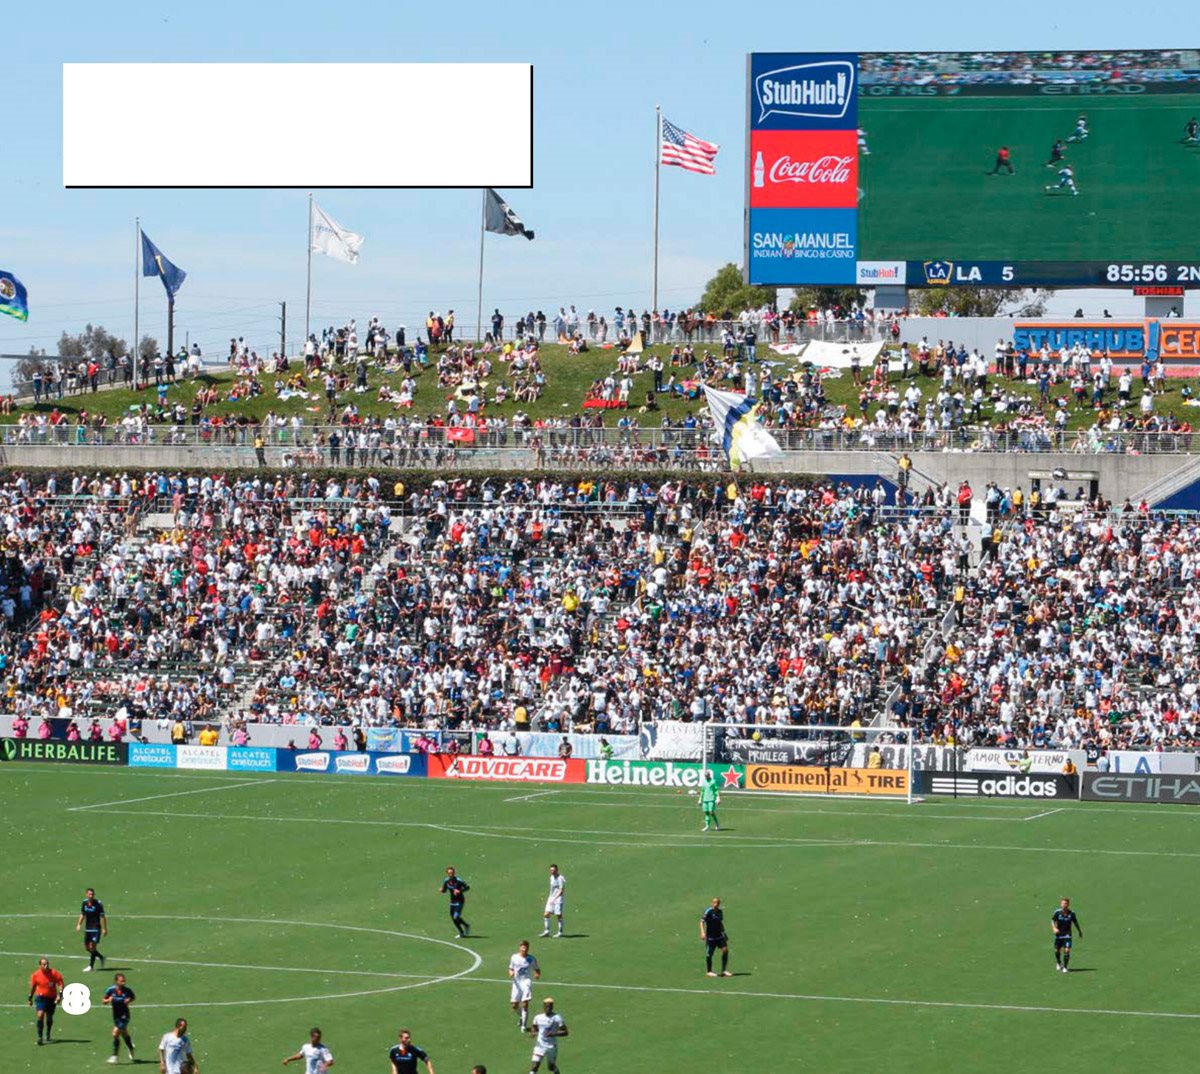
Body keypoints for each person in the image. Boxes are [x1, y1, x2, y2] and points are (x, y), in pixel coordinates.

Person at [28, 956, 63, 1045]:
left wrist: (60, 995)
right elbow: (33, 987)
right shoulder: (35, 975)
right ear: (40, 965)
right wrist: (30, 998)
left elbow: (60, 984)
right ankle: (40, 1037)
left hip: (52, 998)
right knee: (40, 1015)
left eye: (47, 964)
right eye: (44, 964)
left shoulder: (54, 973)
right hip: (41, 998)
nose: (46, 966)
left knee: (49, 1017)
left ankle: (48, 1033)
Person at [103, 972, 136, 1064]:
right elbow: (103, 1001)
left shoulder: (127, 990)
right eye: (121, 981)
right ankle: (131, 1047)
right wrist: (108, 1000)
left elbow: (133, 997)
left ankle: (114, 1056)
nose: (123, 983)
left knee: (115, 1033)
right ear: (116, 981)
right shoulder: (110, 990)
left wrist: (129, 1000)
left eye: (124, 981)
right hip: (116, 1016)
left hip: (125, 1015)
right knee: (124, 1034)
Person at [527, 997, 567, 1074]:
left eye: (550, 1006)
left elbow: (565, 1032)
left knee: (551, 1067)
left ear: (552, 1007)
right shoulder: (538, 1017)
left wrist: (553, 1034)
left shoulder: (557, 1018)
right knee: (534, 1066)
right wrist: (533, 1032)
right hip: (540, 1045)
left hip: (551, 1046)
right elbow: (534, 1026)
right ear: (544, 1006)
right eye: (546, 1006)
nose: (548, 1008)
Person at [508, 940, 541, 1031]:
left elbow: (537, 969)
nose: (524, 949)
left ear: (528, 948)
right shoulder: (514, 957)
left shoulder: (531, 959)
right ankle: (522, 1017)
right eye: (522, 947)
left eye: (526, 947)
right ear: (520, 948)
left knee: (525, 1003)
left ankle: (524, 1025)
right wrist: (511, 972)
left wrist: (537, 974)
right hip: (516, 982)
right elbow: (510, 968)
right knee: (514, 1005)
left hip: (526, 982)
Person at [78, 886, 108, 971]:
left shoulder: (98, 903)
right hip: (88, 928)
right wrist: (79, 924)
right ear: (86, 894)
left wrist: (104, 928)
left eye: (92, 894)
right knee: (87, 948)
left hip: (96, 929)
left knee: (92, 947)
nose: (91, 896)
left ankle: (91, 966)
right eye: (89, 894)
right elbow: (83, 914)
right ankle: (101, 957)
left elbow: (102, 916)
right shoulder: (84, 903)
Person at [700, 897, 731, 977]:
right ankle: (709, 971)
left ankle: (724, 970)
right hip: (710, 937)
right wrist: (703, 932)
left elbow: (720, 923)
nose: (716, 904)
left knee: (725, 950)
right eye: (714, 902)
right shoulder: (709, 911)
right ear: (712, 903)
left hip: (719, 936)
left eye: (717, 903)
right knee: (709, 954)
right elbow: (701, 921)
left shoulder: (720, 912)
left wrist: (724, 933)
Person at [1052, 897, 1082, 973]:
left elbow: (1075, 922)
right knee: (1056, 951)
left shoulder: (1072, 913)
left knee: (1067, 950)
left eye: (1065, 903)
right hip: (1059, 935)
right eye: (1062, 903)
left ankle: (1065, 967)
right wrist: (1054, 928)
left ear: (1068, 904)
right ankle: (1059, 963)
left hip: (1067, 934)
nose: (1063, 905)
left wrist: (1079, 931)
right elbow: (1052, 920)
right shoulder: (1057, 912)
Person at [440, 867, 470, 938]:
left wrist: (460, 891)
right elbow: (444, 890)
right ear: (447, 873)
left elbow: (467, 887)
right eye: (449, 873)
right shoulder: (446, 881)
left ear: (454, 873)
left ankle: (466, 926)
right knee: (453, 918)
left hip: (460, 901)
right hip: (452, 902)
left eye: (452, 872)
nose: (451, 874)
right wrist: (442, 890)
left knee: (456, 917)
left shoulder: (459, 880)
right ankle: (461, 932)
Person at [540, 864, 565, 938]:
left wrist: (555, 898)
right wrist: (551, 898)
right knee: (546, 914)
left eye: (553, 870)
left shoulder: (560, 878)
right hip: (551, 898)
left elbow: (561, 890)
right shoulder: (551, 877)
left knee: (558, 915)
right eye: (551, 870)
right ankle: (547, 931)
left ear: (557, 870)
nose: (552, 872)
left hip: (558, 899)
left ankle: (560, 932)